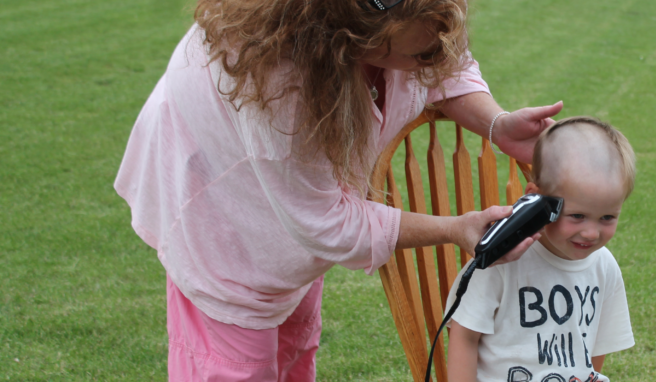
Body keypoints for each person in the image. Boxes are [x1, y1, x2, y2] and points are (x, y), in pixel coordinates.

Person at [113, 0, 562, 380]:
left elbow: (446, 66)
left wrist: (496, 123)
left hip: (291, 206)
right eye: (424, 53)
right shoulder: (278, 89)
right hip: (218, 206)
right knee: (235, 359)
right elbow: (327, 223)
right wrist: (454, 229)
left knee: (293, 348)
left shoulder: (399, 27)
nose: (440, 56)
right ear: (353, 38)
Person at [445, 116, 636, 382]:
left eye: (607, 217)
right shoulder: (502, 261)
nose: (592, 233)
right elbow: (464, 336)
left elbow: (593, 351)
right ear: (535, 198)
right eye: (577, 216)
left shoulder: (604, 266)